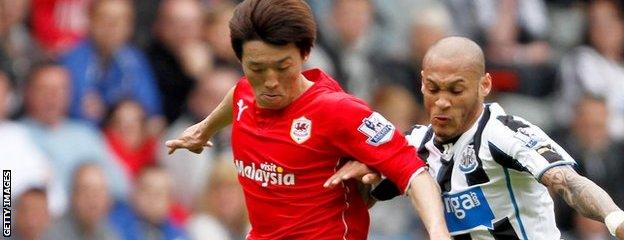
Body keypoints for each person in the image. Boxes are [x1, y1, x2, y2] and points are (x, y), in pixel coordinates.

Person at [165, 0, 450, 239]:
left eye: (282, 66)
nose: (270, 81)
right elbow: (238, 94)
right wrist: (204, 129)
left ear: (304, 54)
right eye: (257, 68)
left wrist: (438, 232)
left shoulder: (337, 110)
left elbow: (413, 170)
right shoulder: (245, 92)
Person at [326, 36, 624, 239]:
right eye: (433, 89)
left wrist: (616, 220)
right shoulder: (415, 145)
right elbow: (365, 199)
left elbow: (568, 182)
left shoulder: (504, 133)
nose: (442, 101)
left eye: (456, 90)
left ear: (484, 85)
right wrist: (361, 176)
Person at [44, 163, 120, 240]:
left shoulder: (109, 234)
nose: (92, 200)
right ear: (72, 196)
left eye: (98, 192)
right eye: (85, 191)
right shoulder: (53, 234)